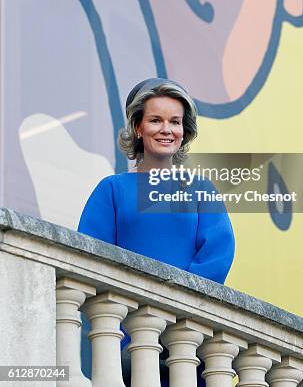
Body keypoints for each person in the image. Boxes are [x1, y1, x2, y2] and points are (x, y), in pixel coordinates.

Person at [78, 77, 235, 384]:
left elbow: (218, 254)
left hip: (188, 339)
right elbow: (90, 257)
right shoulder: (112, 190)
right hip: (127, 336)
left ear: (184, 131)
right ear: (138, 127)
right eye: (155, 120)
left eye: (175, 122)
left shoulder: (200, 189)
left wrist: (175, 307)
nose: (167, 129)